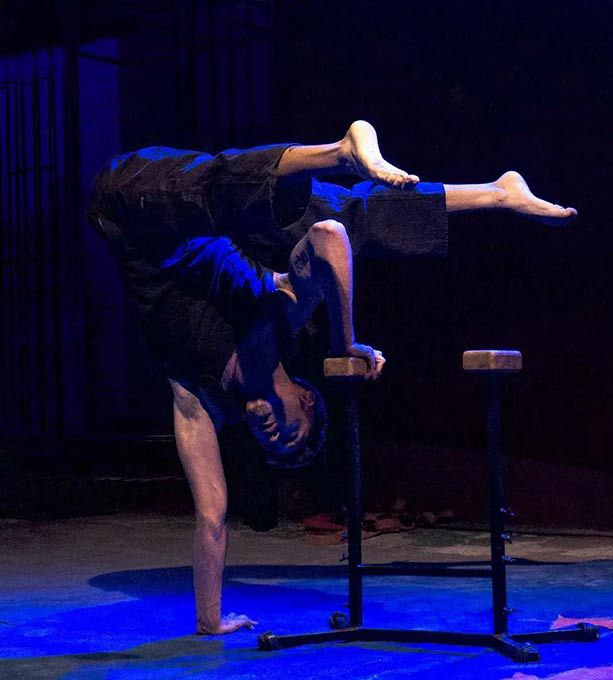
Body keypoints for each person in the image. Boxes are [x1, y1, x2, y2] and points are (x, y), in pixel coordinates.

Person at [88, 120, 577, 635]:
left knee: (283, 202)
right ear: (306, 399)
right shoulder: (278, 322)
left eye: (273, 447)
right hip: (166, 195)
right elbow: (328, 238)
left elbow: (212, 516)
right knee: (327, 214)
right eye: (292, 434)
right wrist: (345, 343)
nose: (274, 437)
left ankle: (482, 189)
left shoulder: (197, 399)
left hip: (124, 214)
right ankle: (454, 181)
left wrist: (210, 621)